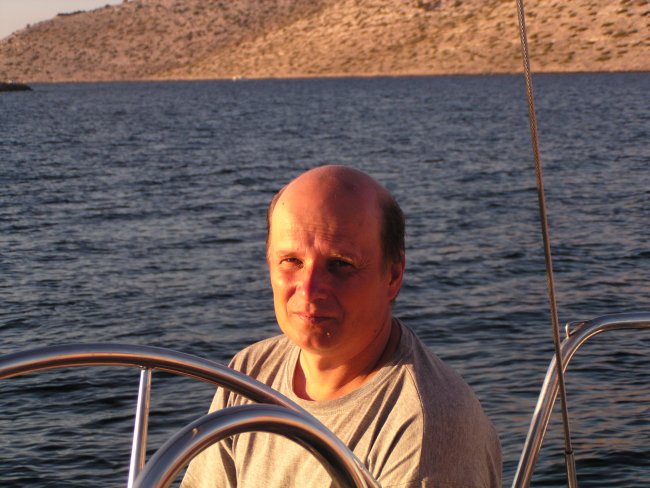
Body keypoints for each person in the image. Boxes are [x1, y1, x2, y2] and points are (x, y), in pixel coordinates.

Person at [181, 165, 501, 487]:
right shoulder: (250, 373)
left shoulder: (422, 429)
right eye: (292, 261)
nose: (309, 289)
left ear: (392, 276)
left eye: (339, 264)